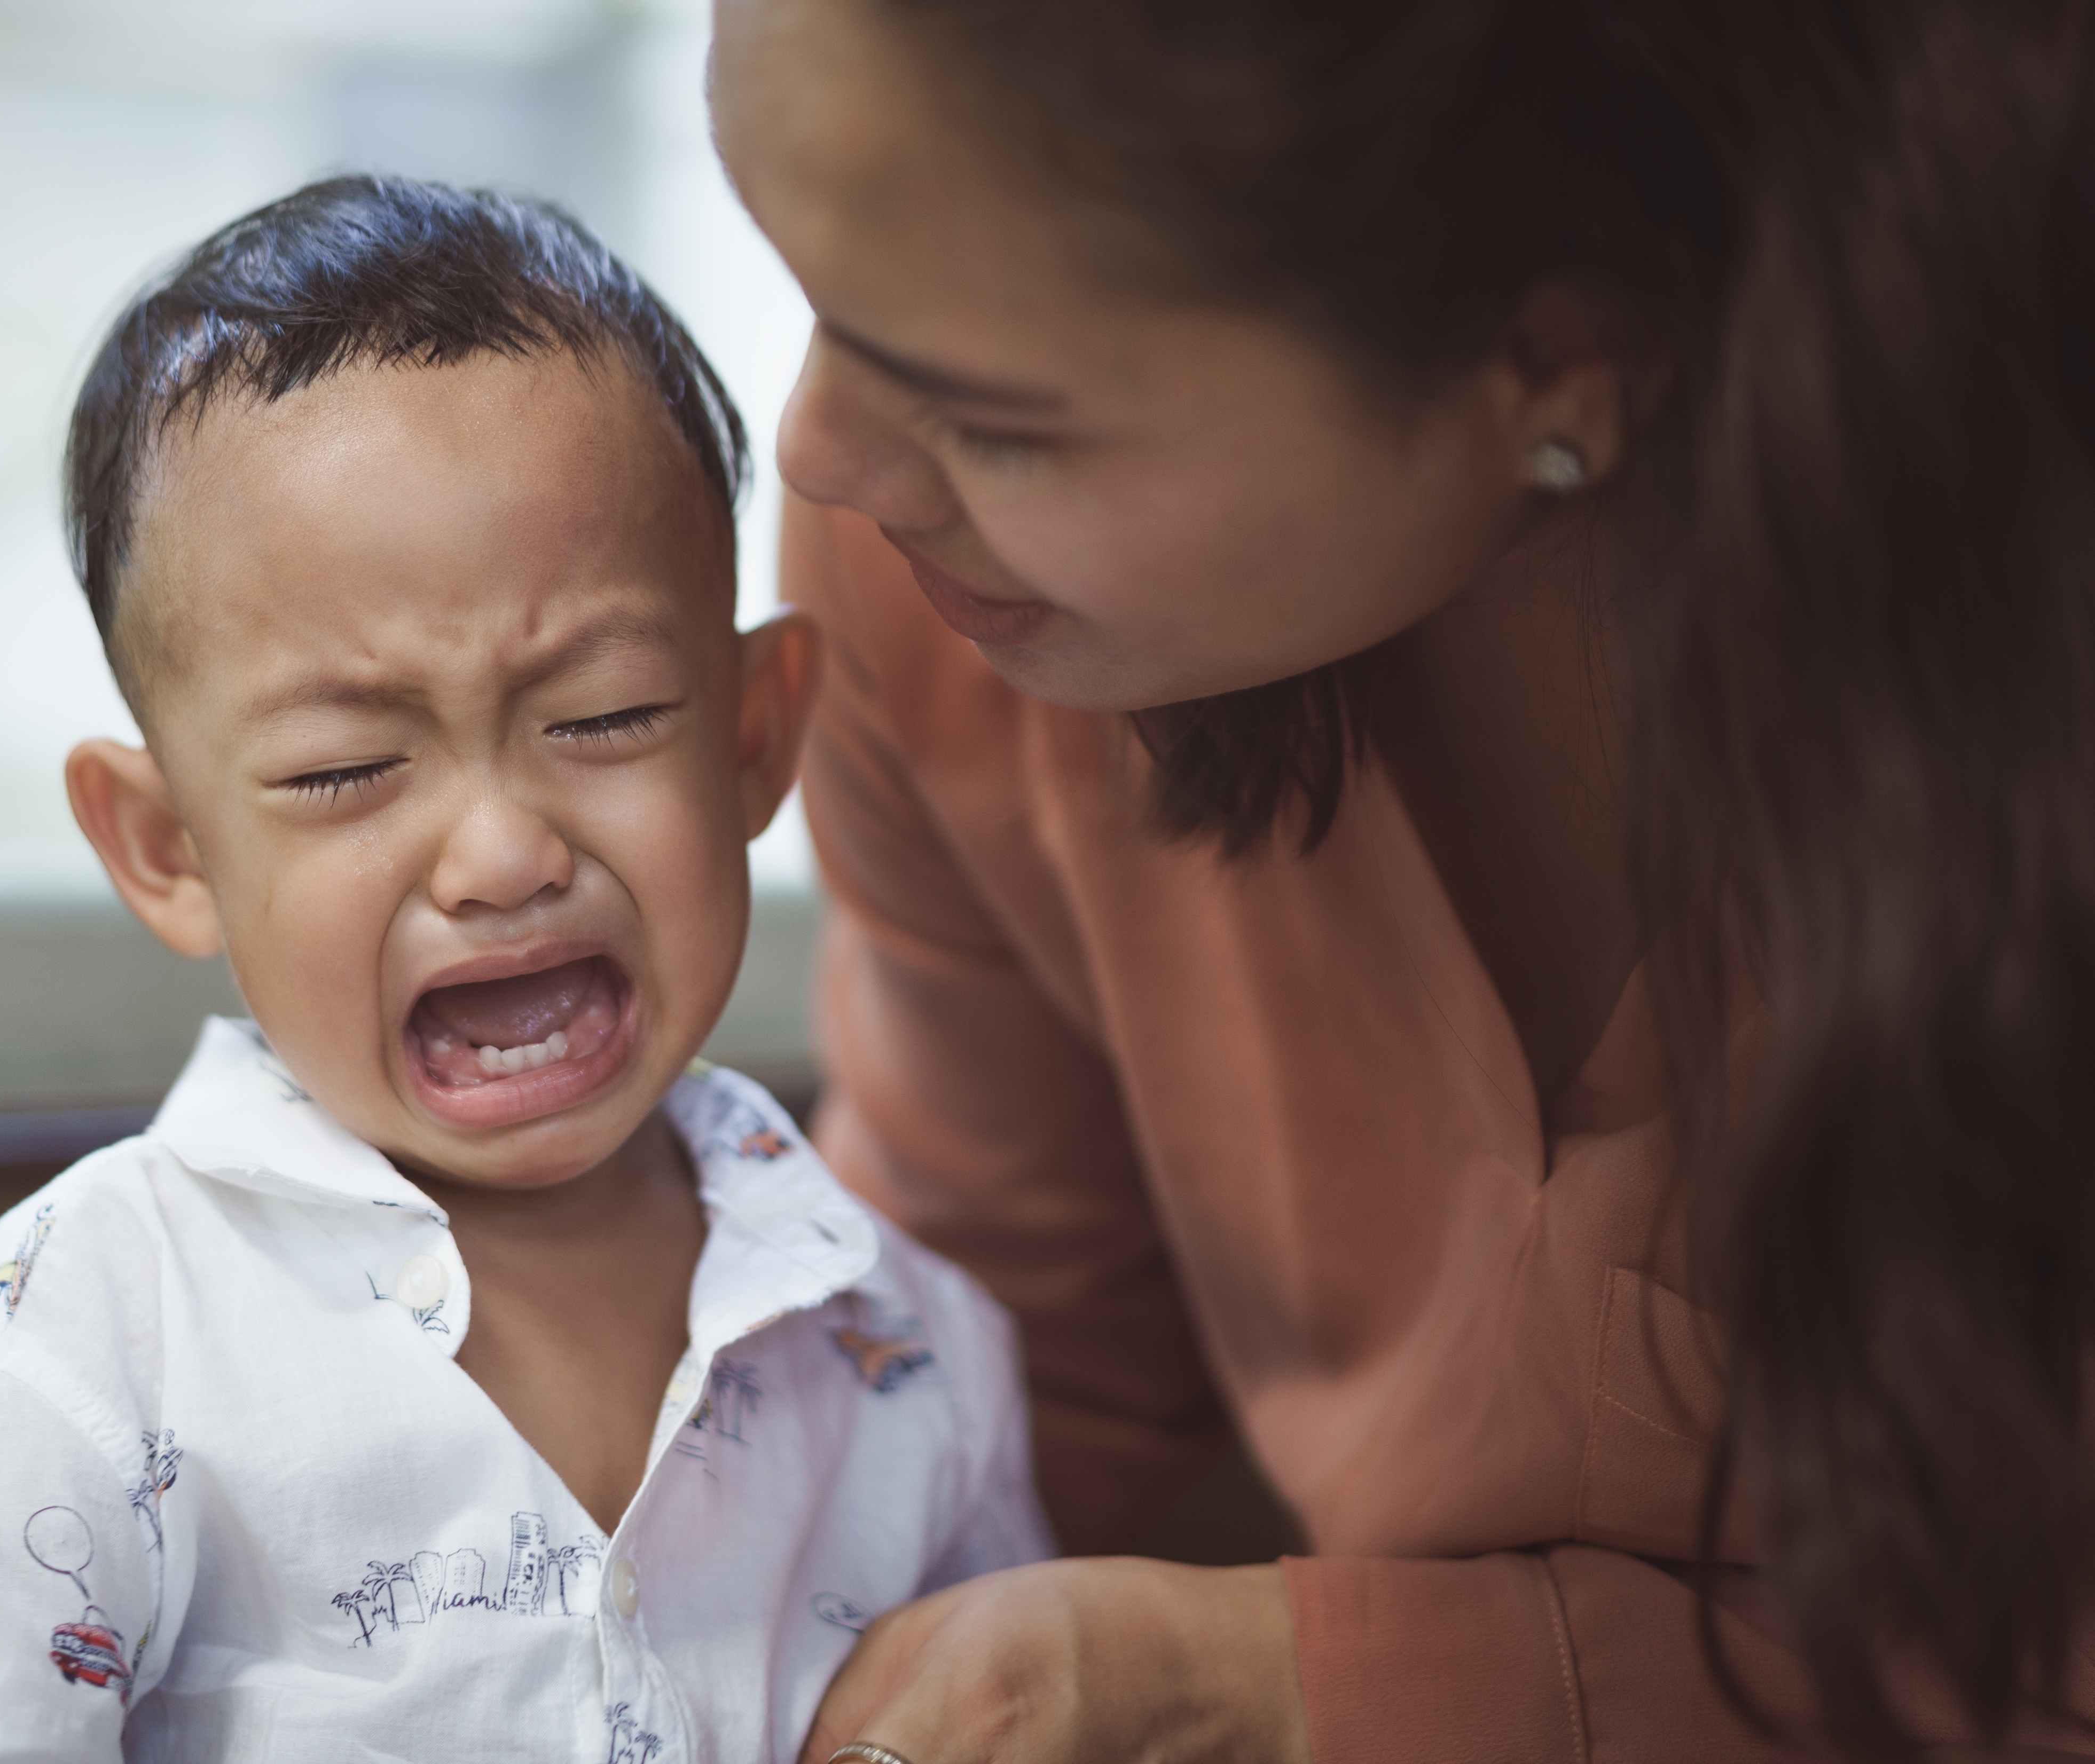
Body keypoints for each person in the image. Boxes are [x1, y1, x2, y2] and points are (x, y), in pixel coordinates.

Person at [708, 1, 2095, 1760]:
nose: (822, 450)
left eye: (998, 415)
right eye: (816, 290)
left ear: (1565, 350)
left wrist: (1311, 1691)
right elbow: (994, 1360)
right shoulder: (941, 607)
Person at [0, 177, 1048, 1763]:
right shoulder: (30, 1398)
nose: (498, 854)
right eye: (346, 768)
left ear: (755, 739)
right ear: (167, 849)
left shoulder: (912, 1354)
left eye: (604, 717)